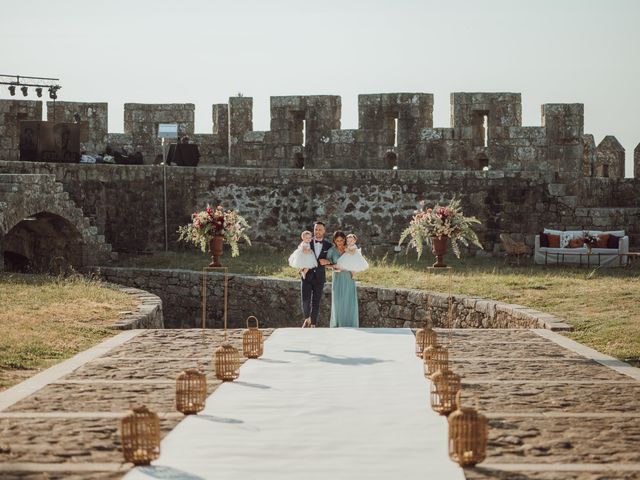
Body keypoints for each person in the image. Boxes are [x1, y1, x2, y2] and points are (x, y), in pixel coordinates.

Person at [300, 221, 332, 328]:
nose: (317, 231)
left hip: (319, 277)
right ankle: (306, 318)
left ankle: (313, 323)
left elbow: (333, 259)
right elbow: (299, 255)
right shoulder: (307, 241)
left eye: (320, 229)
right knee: (305, 299)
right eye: (316, 229)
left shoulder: (328, 245)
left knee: (316, 301)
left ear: (324, 231)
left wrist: (327, 262)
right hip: (307, 275)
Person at [327, 231, 359, 328]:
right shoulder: (331, 251)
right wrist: (334, 266)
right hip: (337, 277)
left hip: (349, 277)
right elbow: (326, 264)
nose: (340, 242)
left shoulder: (349, 249)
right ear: (334, 241)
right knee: (338, 301)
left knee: (349, 300)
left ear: (345, 239)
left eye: (341, 240)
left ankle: (350, 324)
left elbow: (357, 261)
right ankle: (338, 324)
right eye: (337, 241)